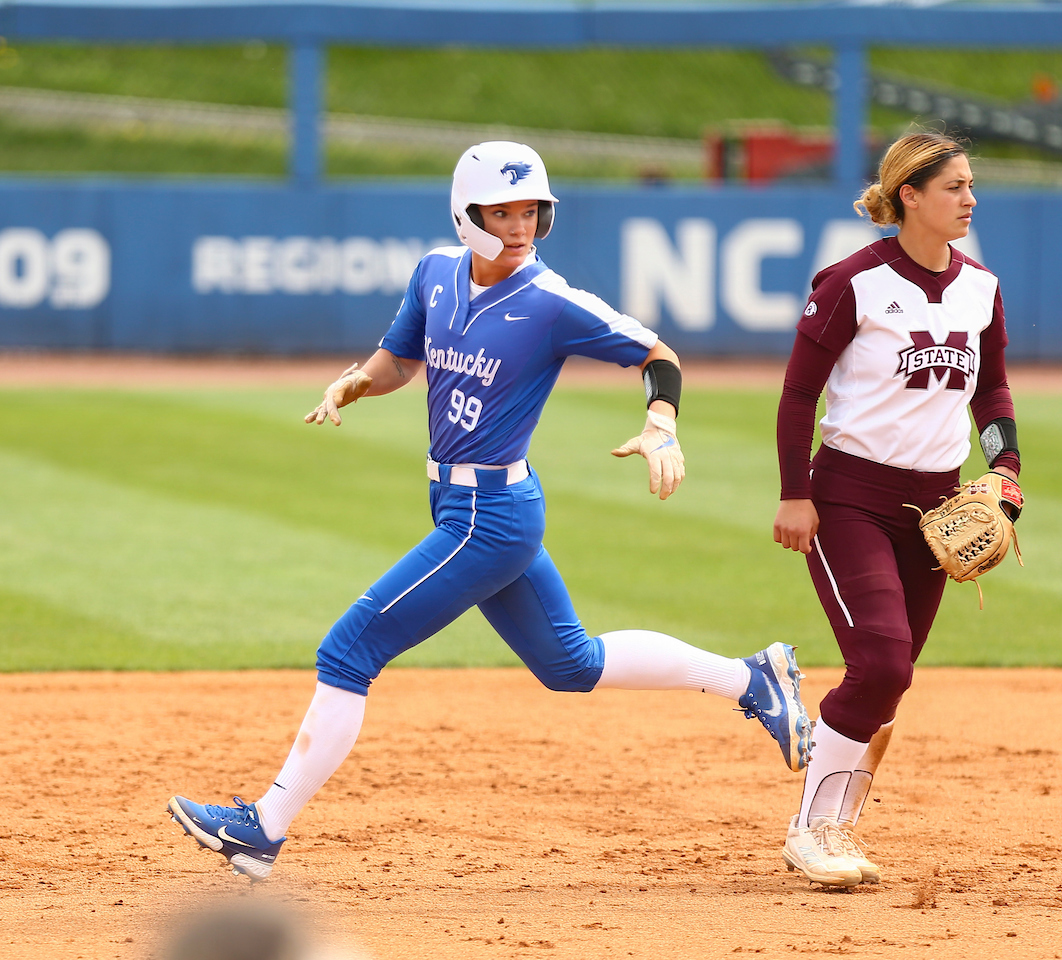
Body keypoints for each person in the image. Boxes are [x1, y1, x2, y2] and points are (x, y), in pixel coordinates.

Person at [167, 141, 811, 882]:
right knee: (571, 665)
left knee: (348, 652)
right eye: (500, 211)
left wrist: (661, 423)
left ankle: (263, 830)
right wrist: (354, 383)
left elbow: (657, 354)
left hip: (491, 516)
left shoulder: (551, 301)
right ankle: (752, 679)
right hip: (468, 503)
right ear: (465, 214)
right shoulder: (435, 273)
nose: (518, 225)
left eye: (530, 209)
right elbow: (400, 359)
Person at [772, 132, 1022, 888]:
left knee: (893, 677)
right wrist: (795, 492)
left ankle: (838, 824)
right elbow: (797, 395)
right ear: (908, 195)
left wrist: (1005, 467)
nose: (969, 198)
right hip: (850, 496)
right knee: (879, 661)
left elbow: (993, 390)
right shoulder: (853, 280)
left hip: (937, 504)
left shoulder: (981, 286)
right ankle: (811, 830)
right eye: (953, 186)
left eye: (972, 185)